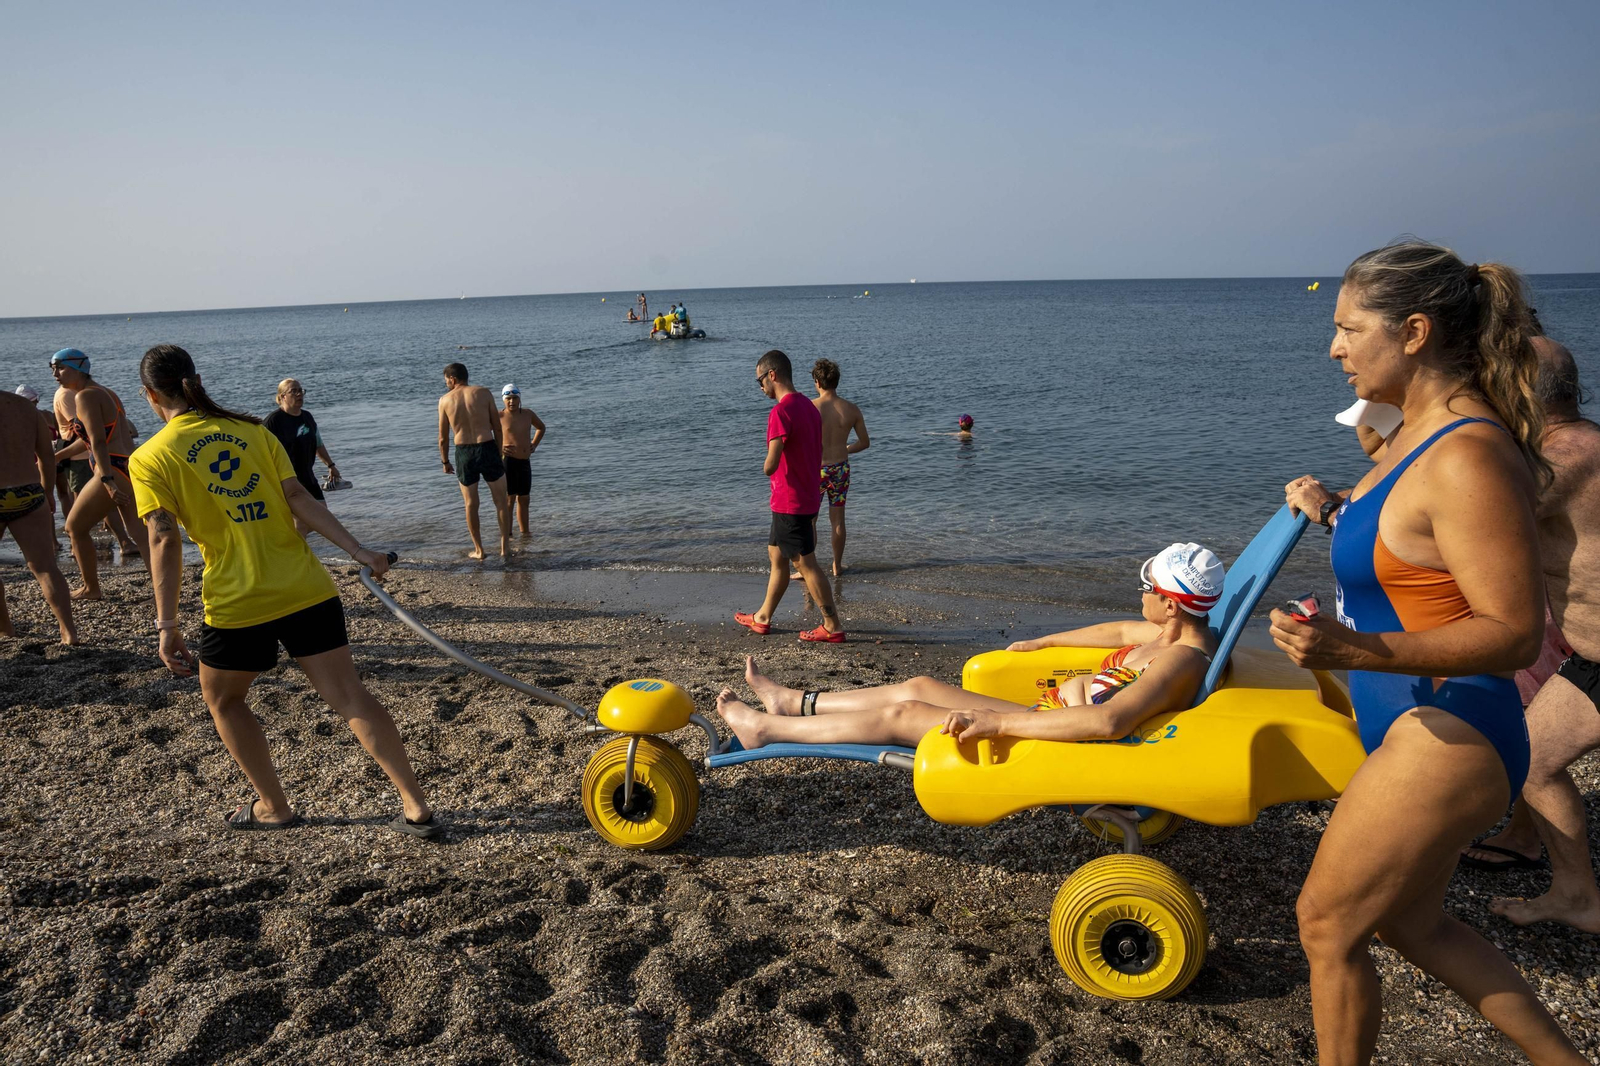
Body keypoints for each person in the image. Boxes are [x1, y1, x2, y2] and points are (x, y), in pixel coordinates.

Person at [1274, 242, 1582, 1064]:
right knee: (1413, 924)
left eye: (1347, 330)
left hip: (1453, 733)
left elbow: (1515, 630)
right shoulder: (1411, 435)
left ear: (1413, 331)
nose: (1333, 348)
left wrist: (1356, 649)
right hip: (1413, 726)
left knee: (1326, 924)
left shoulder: (1467, 454)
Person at [131, 344, 438, 838]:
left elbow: (163, 537)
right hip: (305, 587)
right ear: (197, 379)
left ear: (149, 395)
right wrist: (358, 550)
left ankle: (273, 806)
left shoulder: (150, 457)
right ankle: (415, 804)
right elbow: (299, 498)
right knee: (348, 694)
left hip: (238, 602)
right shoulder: (253, 430)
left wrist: (166, 624)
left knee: (224, 700)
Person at [718, 543, 1224, 748]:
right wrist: (1043, 641)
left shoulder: (1180, 659)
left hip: (1060, 739)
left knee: (905, 714)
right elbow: (1114, 634)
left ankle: (765, 729)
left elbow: (1110, 721)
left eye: (1147, 587)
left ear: (1173, 603)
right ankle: (794, 702)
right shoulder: (1171, 632)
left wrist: (998, 722)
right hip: (1046, 713)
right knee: (920, 684)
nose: (1140, 594)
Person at [1446, 336, 1600, 934]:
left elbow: (1468, 515)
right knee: (1533, 756)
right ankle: (1576, 894)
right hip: (1589, 658)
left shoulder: (1563, 456)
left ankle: (1577, 896)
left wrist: (1338, 511)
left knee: (1533, 761)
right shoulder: (1576, 441)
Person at [734, 350, 845, 642]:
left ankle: (832, 625)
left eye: (760, 380)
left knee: (805, 563)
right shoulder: (810, 408)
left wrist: (765, 465)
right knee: (776, 557)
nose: (760, 387)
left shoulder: (780, 412)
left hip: (790, 501)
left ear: (772, 375)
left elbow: (771, 463)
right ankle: (763, 617)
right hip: (804, 496)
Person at [50, 349, 151, 599]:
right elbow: (99, 438)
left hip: (112, 469)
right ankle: (164, 590)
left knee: (74, 527)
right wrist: (57, 456)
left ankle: (90, 588)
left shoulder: (85, 397)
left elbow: (98, 442)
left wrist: (106, 480)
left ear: (80, 368)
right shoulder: (107, 392)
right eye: (52, 367)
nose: (55, 373)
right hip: (129, 464)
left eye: (60, 367)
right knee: (140, 533)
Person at [0, 390, 76, 644]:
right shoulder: (24, 406)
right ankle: (68, 633)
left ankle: (5, 630)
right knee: (45, 568)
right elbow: (46, 454)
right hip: (29, 492)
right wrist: (48, 491)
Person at [437, 362, 511, 560]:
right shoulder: (483, 393)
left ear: (453, 379)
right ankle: (505, 548)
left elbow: (443, 437)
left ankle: (479, 550)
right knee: (501, 502)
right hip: (486, 446)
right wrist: (498, 452)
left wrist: (445, 462)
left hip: (463, 452)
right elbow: (497, 426)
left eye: (446, 381)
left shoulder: (444, 400)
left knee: (471, 504)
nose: (446, 384)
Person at [810, 358, 869, 576]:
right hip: (840, 469)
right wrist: (845, 448)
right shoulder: (851, 410)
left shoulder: (810, 408)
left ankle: (810, 568)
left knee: (810, 520)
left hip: (816, 469)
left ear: (817, 381)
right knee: (837, 520)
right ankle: (836, 565)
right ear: (837, 381)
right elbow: (864, 443)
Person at [264, 378, 343, 538]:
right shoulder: (274, 421)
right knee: (300, 522)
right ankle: (296, 557)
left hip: (307, 476)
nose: (299, 394)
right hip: (286, 478)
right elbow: (262, 450)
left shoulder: (307, 417)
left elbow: (318, 444)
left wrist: (331, 465)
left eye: (301, 390)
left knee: (322, 515)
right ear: (282, 396)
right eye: (294, 391)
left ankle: (284, 543)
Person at [498, 384, 546, 538]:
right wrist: (499, 447)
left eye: (514, 398)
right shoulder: (499, 416)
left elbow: (541, 428)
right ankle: (508, 533)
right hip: (508, 461)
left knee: (524, 498)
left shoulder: (527, 414)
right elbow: (483, 433)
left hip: (525, 462)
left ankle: (525, 533)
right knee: (509, 499)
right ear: (504, 400)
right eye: (508, 399)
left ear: (519, 399)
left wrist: (534, 444)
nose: (512, 402)